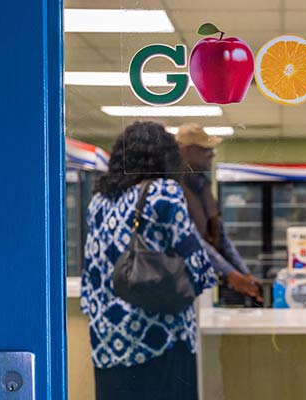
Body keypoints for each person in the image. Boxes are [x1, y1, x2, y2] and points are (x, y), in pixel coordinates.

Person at [80, 121, 217, 400]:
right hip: (158, 342)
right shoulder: (163, 191)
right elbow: (198, 267)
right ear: (165, 156)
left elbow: (92, 277)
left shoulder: (98, 202)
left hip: (107, 345)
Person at [175, 123, 262, 301]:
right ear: (188, 151)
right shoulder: (172, 189)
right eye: (206, 149)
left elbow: (220, 235)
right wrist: (230, 274)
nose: (212, 154)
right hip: (177, 284)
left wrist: (244, 273)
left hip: (200, 278)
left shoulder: (202, 187)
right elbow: (190, 237)